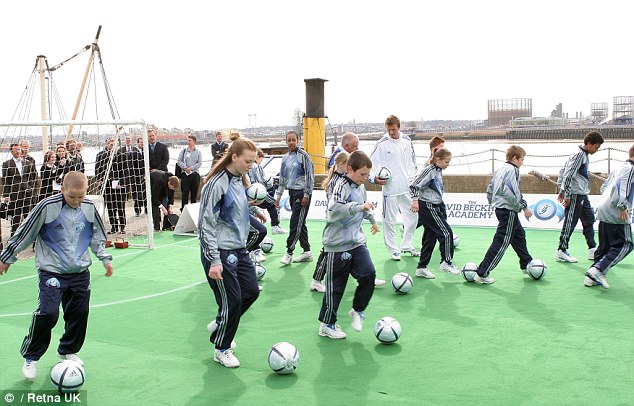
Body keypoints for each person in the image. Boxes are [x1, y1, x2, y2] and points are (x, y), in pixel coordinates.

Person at [0, 171, 113, 380]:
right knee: (48, 313)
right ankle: (31, 357)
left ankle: (68, 350)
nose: (77, 201)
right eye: (72, 197)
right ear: (62, 190)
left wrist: (104, 258)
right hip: (51, 272)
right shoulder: (47, 206)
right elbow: (26, 232)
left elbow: (97, 234)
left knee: (79, 313)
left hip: (79, 273)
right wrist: (8, 256)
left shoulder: (89, 207)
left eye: (81, 196)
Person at [199, 136, 261, 368]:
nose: (251, 166)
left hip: (238, 248)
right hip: (219, 253)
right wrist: (214, 260)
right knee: (233, 300)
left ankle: (220, 323)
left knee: (252, 292)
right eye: (247, 161)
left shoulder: (239, 179)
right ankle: (221, 348)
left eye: (253, 162)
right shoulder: (216, 184)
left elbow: (233, 210)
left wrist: (252, 213)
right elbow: (206, 225)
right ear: (234, 157)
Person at [317, 151, 380, 339]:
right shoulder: (340, 185)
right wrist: (360, 208)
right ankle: (327, 325)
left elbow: (364, 204)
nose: (365, 178)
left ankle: (358, 311)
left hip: (356, 241)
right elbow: (334, 210)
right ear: (350, 170)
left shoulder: (360, 186)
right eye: (362, 174)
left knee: (369, 274)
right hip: (336, 244)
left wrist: (372, 219)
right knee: (336, 287)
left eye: (367, 175)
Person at [472, 145, 534, 284]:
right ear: (515, 158)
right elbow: (512, 191)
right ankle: (483, 272)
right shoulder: (513, 170)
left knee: (519, 235)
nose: (522, 162)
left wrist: (493, 201)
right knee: (502, 241)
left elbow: (490, 188)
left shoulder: (500, 169)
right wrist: (524, 206)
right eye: (522, 159)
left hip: (500, 208)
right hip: (508, 209)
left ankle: (526, 262)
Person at [583, 144, 634, 289]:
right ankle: (599, 270)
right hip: (617, 210)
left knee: (604, 247)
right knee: (626, 244)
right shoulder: (631, 169)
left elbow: (603, 187)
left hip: (603, 208)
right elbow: (622, 187)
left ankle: (591, 277)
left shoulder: (619, 167)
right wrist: (623, 206)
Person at [369, 115, 419, 261]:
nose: (391, 132)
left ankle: (406, 245)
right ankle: (393, 250)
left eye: (393, 129)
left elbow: (412, 164)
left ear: (399, 127)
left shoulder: (407, 141)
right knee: (389, 220)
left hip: (407, 188)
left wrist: (413, 183)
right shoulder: (382, 143)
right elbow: (371, 164)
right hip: (389, 190)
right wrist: (373, 179)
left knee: (413, 217)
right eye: (389, 130)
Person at [410, 147, 460, 279]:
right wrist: (415, 200)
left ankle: (422, 267)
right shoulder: (430, 170)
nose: (448, 164)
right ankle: (446, 262)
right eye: (447, 162)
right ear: (438, 159)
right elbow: (414, 185)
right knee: (446, 233)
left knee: (430, 237)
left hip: (435, 204)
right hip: (427, 205)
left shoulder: (438, 170)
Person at [555, 131, 604, 263]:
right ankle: (561, 250)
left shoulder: (584, 154)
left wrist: (562, 189)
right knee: (570, 222)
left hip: (583, 194)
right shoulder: (579, 155)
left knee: (589, 220)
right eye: (596, 147)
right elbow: (568, 174)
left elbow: (563, 171)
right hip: (575, 194)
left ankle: (592, 248)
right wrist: (567, 193)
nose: (596, 150)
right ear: (588, 144)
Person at [275, 131, 314, 265]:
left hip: (302, 193)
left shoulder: (304, 156)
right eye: (289, 140)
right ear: (286, 141)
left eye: (294, 140)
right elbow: (282, 178)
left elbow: (310, 176)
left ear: (298, 140)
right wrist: (278, 196)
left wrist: (307, 194)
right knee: (300, 223)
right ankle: (307, 252)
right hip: (291, 192)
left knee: (295, 222)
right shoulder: (285, 157)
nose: (291, 142)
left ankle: (289, 252)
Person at [2, 143, 38, 235]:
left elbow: (32, 177)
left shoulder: (27, 162)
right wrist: (6, 195)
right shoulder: (7, 164)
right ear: (11, 151)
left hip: (27, 192)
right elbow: (5, 181)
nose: (18, 151)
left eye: (19, 149)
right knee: (16, 216)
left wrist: (31, 188)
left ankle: (29, 235)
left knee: (28, 215)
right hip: (14, 194)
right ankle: (14, 236)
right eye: (16, 149)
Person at [248, 149, 285, 236]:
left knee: (255, 209)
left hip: (250, 193)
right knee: (274, 204)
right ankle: (275, 226)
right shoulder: (256, 166)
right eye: (261, 160)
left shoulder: (249, 166)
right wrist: (269, 182)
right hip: (257, 192)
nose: (261, 162)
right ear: (257, 157)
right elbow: (260, 181)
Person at [95, 139, 128, 234]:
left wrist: (121, 183)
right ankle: (114, 226)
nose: (111, 145)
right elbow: (98, 169)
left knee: (120, 206)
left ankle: (122, 226)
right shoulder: (102, 156)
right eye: (110, 144)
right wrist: (99, 179)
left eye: (113, 144)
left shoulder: (122, 156)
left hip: (118, 184)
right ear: (107, 145)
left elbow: (126, 172)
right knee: (110, 206)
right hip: (107, 184)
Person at [176, 134, 203, 210]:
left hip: (194, 175)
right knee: (185, 194)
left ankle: (193, 210)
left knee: (194, 195)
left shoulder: (198, 152)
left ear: (194, 142)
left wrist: (191, 168)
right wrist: (185, 168)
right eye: (187, 140)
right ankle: (183, 210)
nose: (188, 142)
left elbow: (199, 163)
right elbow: (179, 161)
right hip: (185, 175)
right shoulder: (184, 151)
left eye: (190, 140)